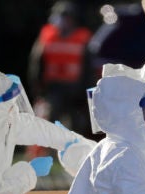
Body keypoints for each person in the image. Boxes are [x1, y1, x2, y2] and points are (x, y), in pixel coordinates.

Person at [27, 0, 92, 135]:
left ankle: (74, 153)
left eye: (68, 17)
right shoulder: (47, 36)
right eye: (62, 17)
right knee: (50, 121)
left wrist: (86, 89)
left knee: (76, 124)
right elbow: (37, 63)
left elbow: (88, 67)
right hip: (53, 88)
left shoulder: (82, 37)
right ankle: (51, 152)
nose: (64, 21)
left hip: (75, 89)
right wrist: (37, 87)